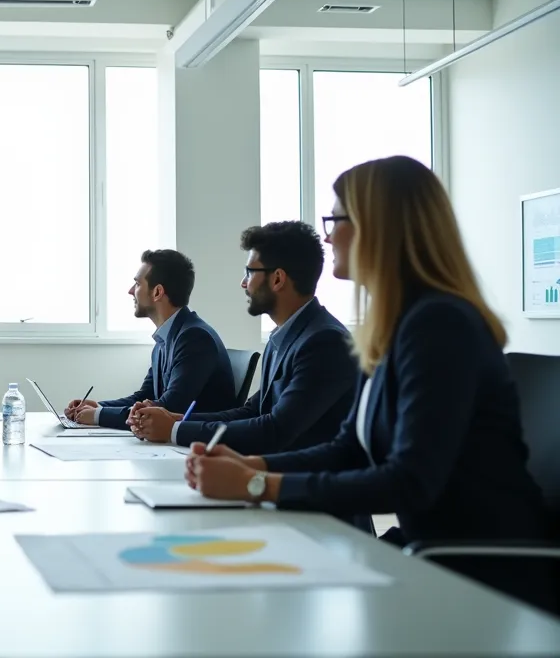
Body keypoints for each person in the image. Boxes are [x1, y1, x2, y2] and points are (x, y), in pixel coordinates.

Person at [185, 155, 555, 614]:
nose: (327, 235)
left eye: (335, 220)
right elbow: (349, 449)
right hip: (432, 557)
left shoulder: (440, 324)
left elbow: (409, 481)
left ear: (377, 227)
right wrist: (248, 464)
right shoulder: (395, 326)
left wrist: (259, 485)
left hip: (484, 577)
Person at [130, 222, 357, 454]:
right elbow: (253, 411)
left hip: (301, 481)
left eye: (249, 272)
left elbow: (275, 430)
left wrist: (174, 429)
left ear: (277, 279)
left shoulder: (325, 342)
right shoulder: (284, 336)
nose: (243, 283)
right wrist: (176, 420)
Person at [65, 249, 236, 429]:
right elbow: (145, 396)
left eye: (137, 284)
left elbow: (168, 408)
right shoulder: (167, 338)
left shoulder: (194, 338)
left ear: (157, 292)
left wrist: (98, 416)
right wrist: (99, 407)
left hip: (193, 447)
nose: (131, 291)